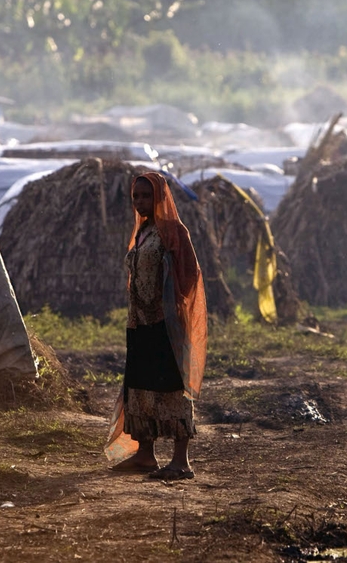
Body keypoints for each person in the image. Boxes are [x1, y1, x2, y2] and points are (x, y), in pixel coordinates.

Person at [105, 172, 207, 481]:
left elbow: (190, 275)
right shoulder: (144, 232)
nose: (139, 202)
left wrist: (168, 303)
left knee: (171, 388)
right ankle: (145, 456)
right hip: (139, 323)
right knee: (139, 387)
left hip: (165, 325)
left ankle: (181, 461)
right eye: (135, 196)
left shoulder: (174, 232)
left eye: (145, 196)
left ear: (159, 197)